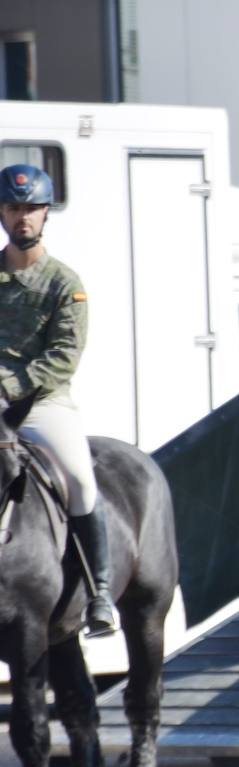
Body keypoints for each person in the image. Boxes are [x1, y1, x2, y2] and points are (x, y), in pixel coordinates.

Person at [0, 163, 118, 638]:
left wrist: (7, 385)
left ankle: (101, 592)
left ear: (45, 213)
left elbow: (64, 356)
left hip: (42, 403)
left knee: (80, 483)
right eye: (13, 208)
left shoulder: (64, 283)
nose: (22, 217)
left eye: (30, 209)